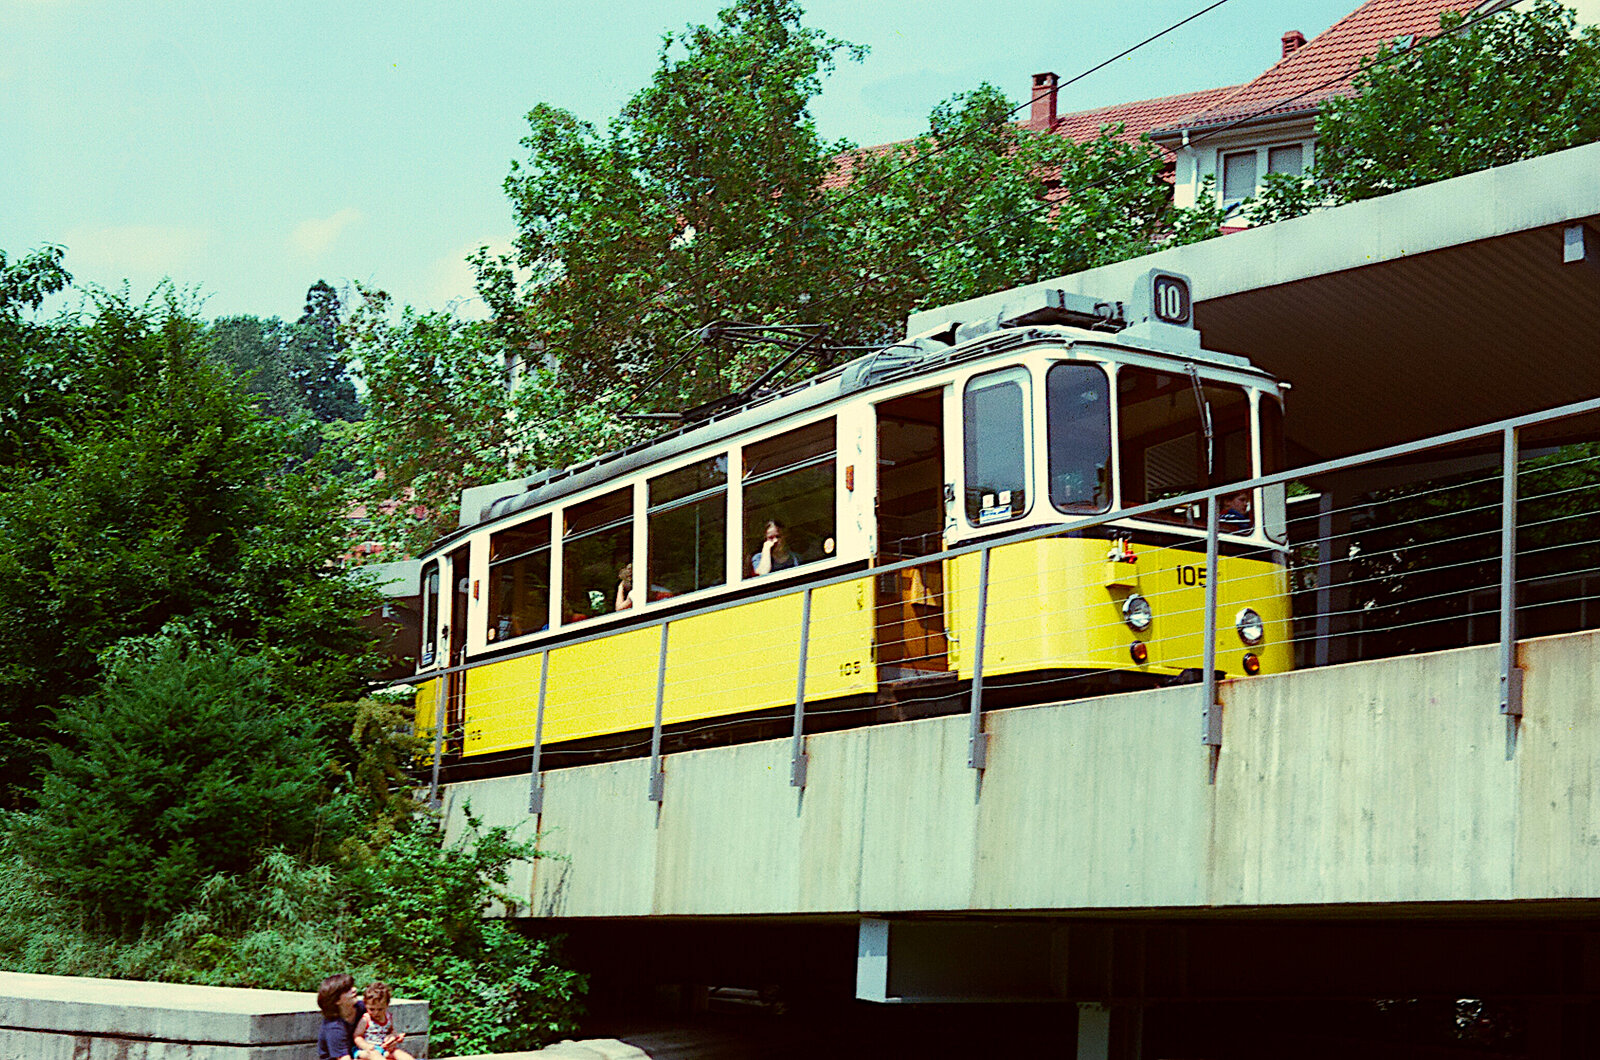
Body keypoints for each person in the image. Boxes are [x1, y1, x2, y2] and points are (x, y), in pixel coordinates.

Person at [353, 981, 414, 1060]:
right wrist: (366, 1046)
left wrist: (393, 1036)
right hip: (366, 1051)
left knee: (399, 1053)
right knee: (375, 1055)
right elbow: (357, 1036)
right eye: (372, 1009)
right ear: (366, 1005)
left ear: (387, 1005)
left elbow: (391, 1030)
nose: (376, 1012)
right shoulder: (366, 1019)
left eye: (380, 1009)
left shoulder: (388, 1017)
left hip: (383, 1049)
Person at [315, 973, 364, 1060]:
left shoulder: (362, 1008)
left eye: (352, 986)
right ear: (336, 1000)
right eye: (347, 990)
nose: (354, 990)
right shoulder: (334, 1028)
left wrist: (390, 1036)